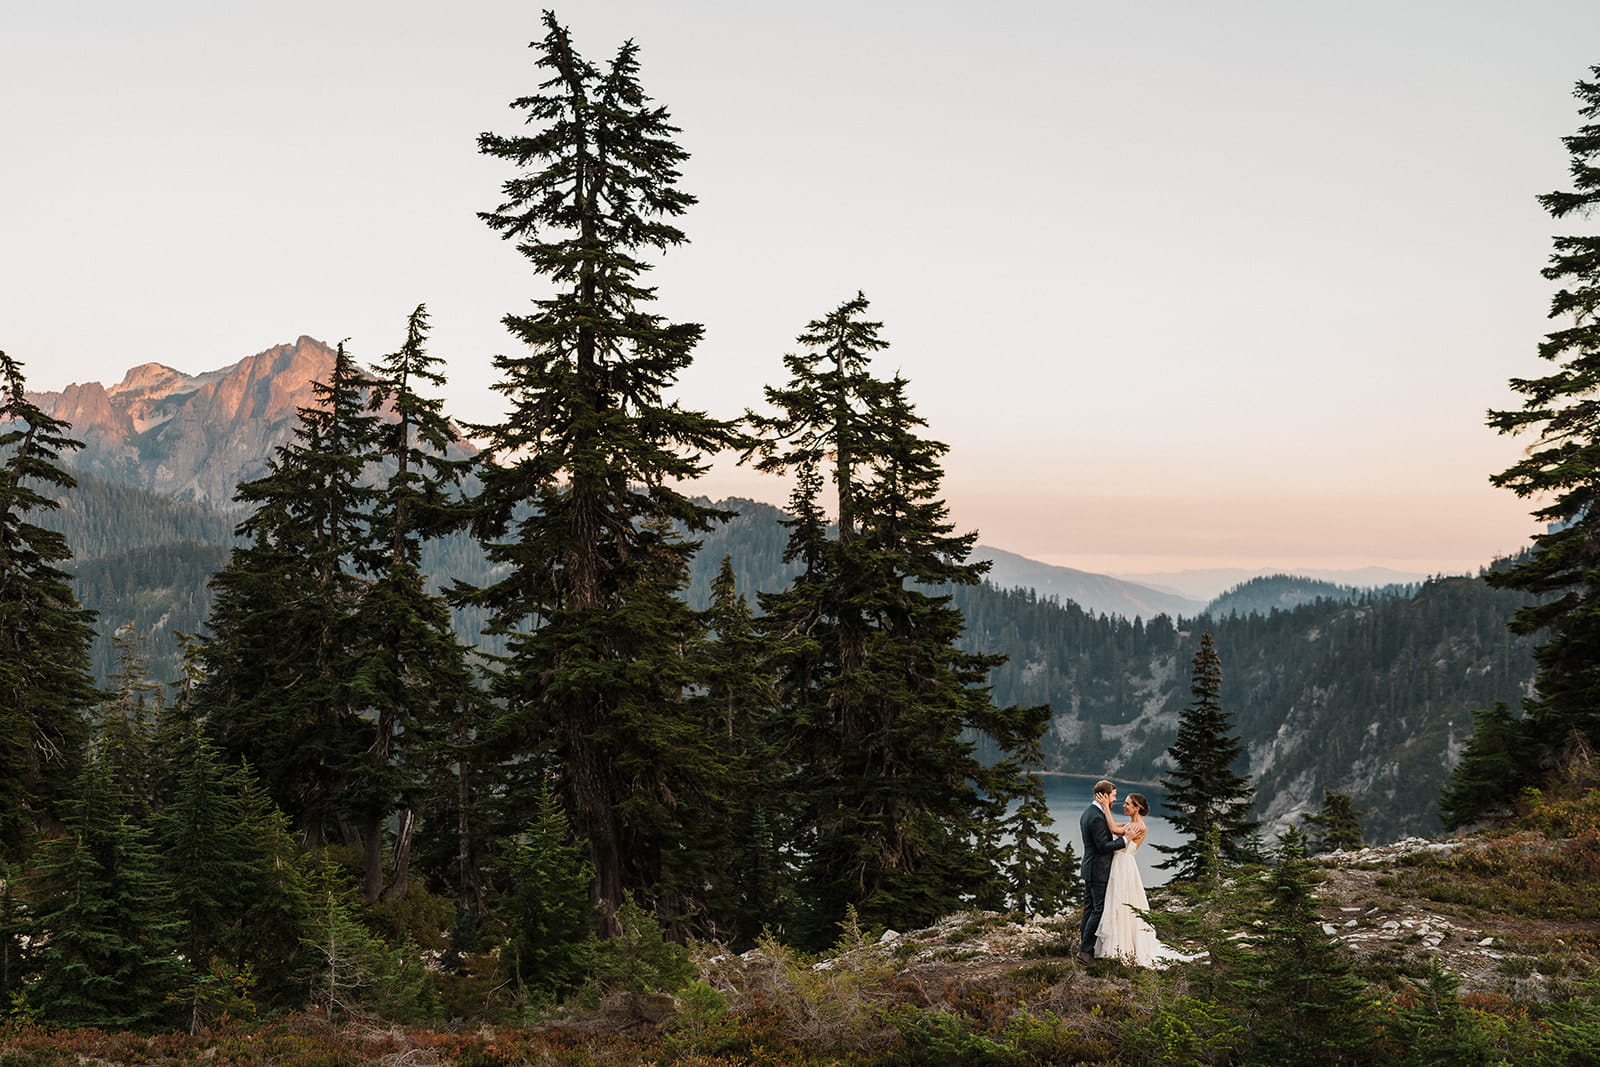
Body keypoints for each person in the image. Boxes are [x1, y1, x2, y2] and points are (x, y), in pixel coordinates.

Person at [1093, 792, 1192, 967]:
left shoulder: (1139, 827)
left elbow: (1115, 830)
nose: (1124, 806)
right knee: (1117, 902)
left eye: (1127, 804)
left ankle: (1122, 947)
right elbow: (1113, 827)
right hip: (1120, 863)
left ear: (1137, 807)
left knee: (1121, 902)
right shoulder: (1132, 823)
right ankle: (1117, 944)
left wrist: (1106, 808)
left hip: (1124, 864)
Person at [1077, 779, 1126, 964]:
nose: (1115, 799)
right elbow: (1102, 846)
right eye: (1113, 795)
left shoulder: (1090, 812)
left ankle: (1086, 948)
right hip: (1098, 869)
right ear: (1104, 795)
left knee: (1089, 909)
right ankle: (1085, 952)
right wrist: (1125, 842)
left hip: (1091, 868)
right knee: (1098, 910)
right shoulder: (1097, 816)